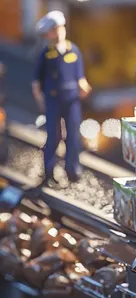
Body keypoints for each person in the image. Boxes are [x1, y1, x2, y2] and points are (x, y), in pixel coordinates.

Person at [32, 11, 91, 183]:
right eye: (52, 30)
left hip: (71, 100)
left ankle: (72, 170)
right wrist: (40, 101)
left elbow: (80, 76)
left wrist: (83, 85)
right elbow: (36, 82)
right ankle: (49, 170)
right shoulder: (46, 54)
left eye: (58, 29)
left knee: (73, 136)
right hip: (53, 100)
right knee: (54, 136)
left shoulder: (74, 51)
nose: (56, 33)